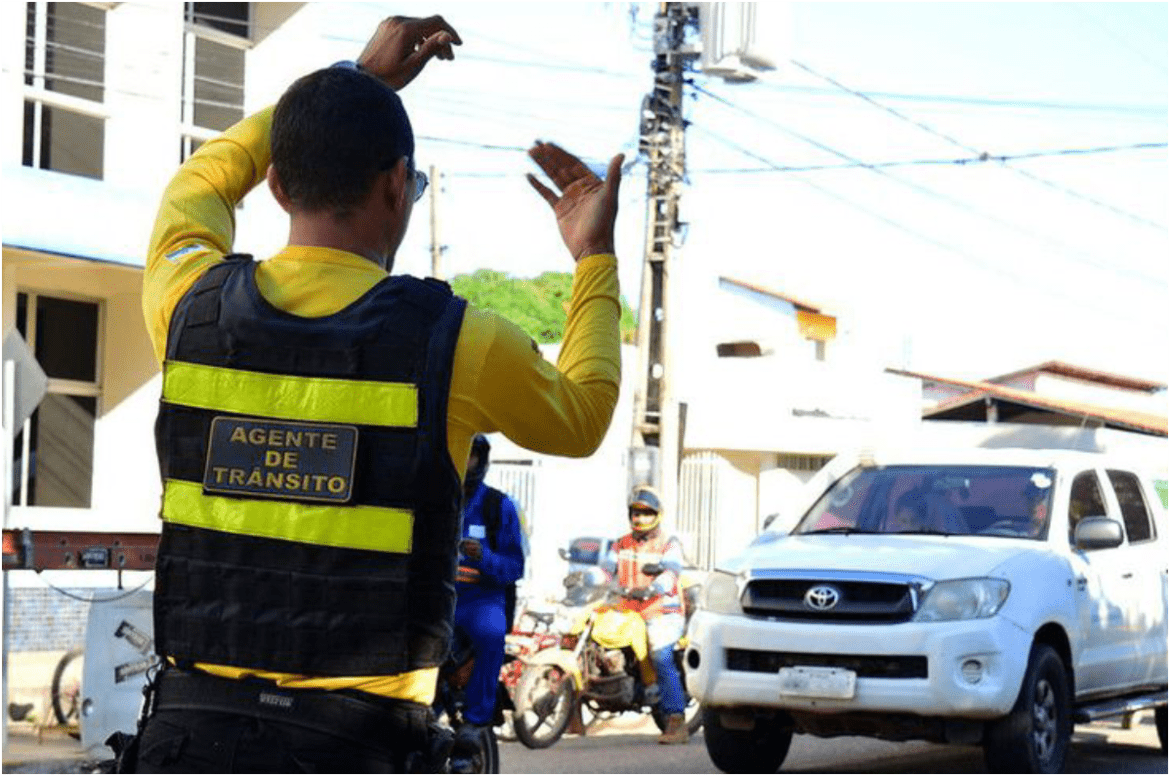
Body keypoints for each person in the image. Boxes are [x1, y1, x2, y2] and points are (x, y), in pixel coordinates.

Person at [134, 14, 623, 774]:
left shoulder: (185, 302)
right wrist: (593, 257)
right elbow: (584, 415)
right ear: (397, 185)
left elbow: (198, 183)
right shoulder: (457, 341)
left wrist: (353, 82)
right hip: (359, 747)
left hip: (190, 738)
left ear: (277, 183)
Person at [602, 486, 690, 745]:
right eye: (636, 513)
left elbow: (671, 572)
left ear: (657, 515)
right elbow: (607, 570)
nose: (640, 519)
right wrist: (588, 578)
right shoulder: (621, 543)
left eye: (646, 513)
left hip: (662, 610)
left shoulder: (668, 543)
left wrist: (655, 587)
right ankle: (574, 714)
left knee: (660, 656)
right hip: (630, 609)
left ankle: (677, 721)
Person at [452, 434, 525, 744]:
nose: (465, 461)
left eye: (472, 455)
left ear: (481, 460)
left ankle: (476, 719)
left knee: (490, 634)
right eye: (461, 452)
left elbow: (514, 567)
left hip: (481, 600)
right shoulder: (436, 500)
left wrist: (483, 557)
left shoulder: (499, 506)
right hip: (437, 598)